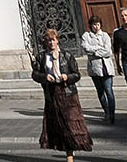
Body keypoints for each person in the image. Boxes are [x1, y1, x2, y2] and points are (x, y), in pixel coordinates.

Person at [33, 28, 93, 161]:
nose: (51, 43)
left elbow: (77, 74)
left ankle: (70, 155)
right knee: (58, 125)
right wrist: (44, 77)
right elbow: (35, 74)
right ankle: (67, 152)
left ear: (57, 40)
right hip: (52, 93)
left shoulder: (67, 56)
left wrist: (67, 77)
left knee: (70, 124)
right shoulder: (42, 57)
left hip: (68, 94)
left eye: (53, 40)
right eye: (48, 40)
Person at [78, 15, 118, 124]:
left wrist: (95, 51)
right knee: (100, 91)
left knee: (109, 91)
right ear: (91, 25)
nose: (96, 27)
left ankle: (112, 113)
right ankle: (106, 112)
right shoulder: (86, 36)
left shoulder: (105, 35)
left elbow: (108, 51)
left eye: (98, 24)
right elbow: (86, 48)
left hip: (106, 67)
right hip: (95, 68)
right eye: (94, 24)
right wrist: (99, 50)